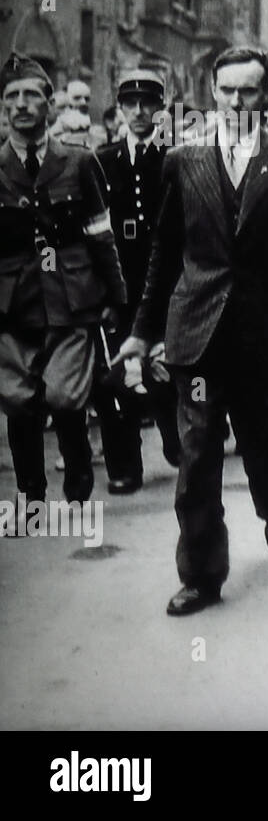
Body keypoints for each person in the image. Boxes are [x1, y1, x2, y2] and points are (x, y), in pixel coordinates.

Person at [111, 46, 268, 615]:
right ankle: (201, 575)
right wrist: (142, 331)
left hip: (266, 336)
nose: (238, 101)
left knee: (264, 450)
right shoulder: (183, 161)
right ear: (213, 93)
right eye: (228, 90)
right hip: (199, 333)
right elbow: (165, 252)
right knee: (197, 455)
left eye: (250, 91)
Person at [0, 54, 127, 508]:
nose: (21, 106)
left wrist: (116, 298)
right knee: (18, 400)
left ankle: (77, 473)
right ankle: (31, 491)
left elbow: (101, 233)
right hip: (12, 305)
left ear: (50, 105)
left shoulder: (78, 162)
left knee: (65, 395)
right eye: (11, 97)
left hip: (71, 300)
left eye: (31, 96)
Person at [92, 70, 180, 494]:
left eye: (149, 103)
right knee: (118, 376)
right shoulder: (102, 161)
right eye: (131, 103)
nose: (140, 111)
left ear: (162, 108)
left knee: (167, 369)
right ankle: (125, 466)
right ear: (120, 108)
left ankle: (171, 428)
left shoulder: (176, 157)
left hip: (168, 288)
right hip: (120, 286)